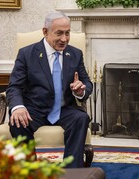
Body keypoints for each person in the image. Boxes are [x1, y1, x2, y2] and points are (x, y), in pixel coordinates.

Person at [6, 11, 93, 168]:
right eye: (59, 33)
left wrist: (80, 91)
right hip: (35, 109)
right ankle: (30, 172)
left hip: (64, 108)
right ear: (45, 32)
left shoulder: (75, 54)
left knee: (81, 118)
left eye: (67, 33)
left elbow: (86, 82)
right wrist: (18, 107)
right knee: (18, 122)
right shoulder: (27, 54)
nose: (64, 39)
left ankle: (73, 174)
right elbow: (15, 86)